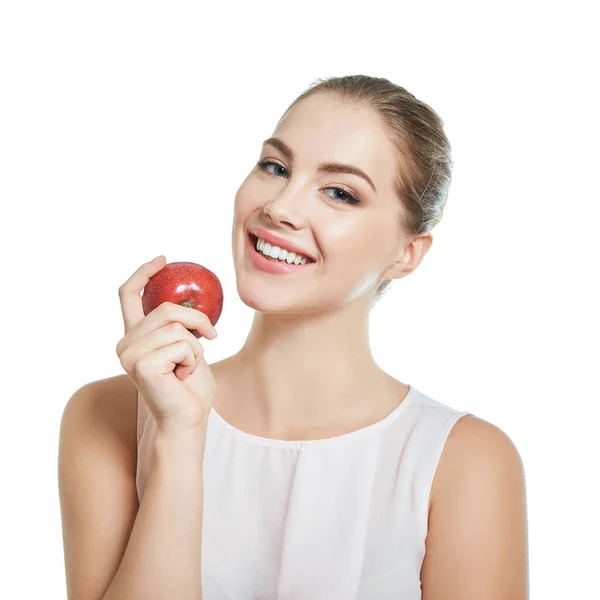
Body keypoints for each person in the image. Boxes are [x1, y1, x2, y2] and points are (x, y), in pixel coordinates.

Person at [58, 75, 529, 599]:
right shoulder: (110, 415)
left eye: (339, 192)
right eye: (275, 167)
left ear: (406, 253)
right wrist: (178, 437)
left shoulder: (465, 462)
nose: (280, 207)